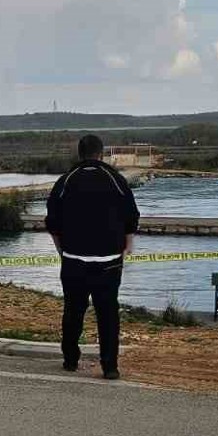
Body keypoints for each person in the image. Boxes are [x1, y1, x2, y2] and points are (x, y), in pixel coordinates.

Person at [45, 135, 141, 380]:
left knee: (73, 312)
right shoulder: (116, 179)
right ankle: (110, 366)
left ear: (79, 154)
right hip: (109, 261)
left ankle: (70, 360)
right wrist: (127, 247)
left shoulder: (65, 181)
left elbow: (52, 221)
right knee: (108, 314)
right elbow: (131, 216)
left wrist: (61, 250)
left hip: (73, 260)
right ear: (101, 154)